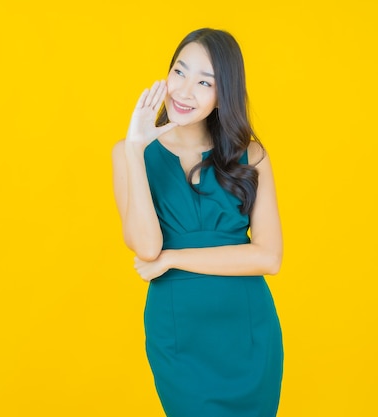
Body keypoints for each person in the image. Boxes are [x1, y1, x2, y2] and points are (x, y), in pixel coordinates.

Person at [112, 28, 283, 417]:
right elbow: (148, 247)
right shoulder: (128, 153)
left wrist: (174, 260)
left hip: (248, 334)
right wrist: (137, 150)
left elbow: (269, 258)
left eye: (205, 82)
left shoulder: (251, 156)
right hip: (178, 336)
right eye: (179, 72)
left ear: (224, 95)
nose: (185, 91)